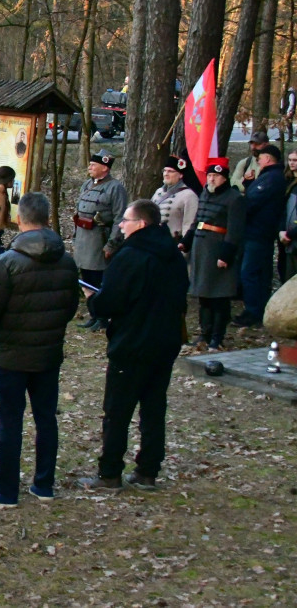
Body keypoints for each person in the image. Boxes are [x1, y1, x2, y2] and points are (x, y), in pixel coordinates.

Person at [0, 193, 79, 507]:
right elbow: (70, 308)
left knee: (10, 421)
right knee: (46, 418)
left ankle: (6, 489)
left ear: (19, 219)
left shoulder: (6, 263)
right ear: (46, 218)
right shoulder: (66, 261)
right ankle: (44, 483)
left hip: (12, 355)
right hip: (47, 353)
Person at [78, 199, 189, 491]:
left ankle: (110, 473)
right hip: (165, 342)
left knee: (117, 411)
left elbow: (110, 301)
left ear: (140, 223)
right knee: (154, 407)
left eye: (125, 221)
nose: (121, 226)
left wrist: (93, 300)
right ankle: (148, 470)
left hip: (133, 343)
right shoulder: (173, 255)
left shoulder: (130, 256)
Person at [181, 158, 245, 351]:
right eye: (210, 175)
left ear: (224, 178)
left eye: (216, 176)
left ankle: (217, 337)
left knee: (219, 297)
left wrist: (226, 255)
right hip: (201, 250)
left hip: (218, 250)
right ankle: (205, 333)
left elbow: (235, 230)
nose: (211, 179)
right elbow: (197, 221)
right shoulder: (205, 194)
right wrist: (186, 241)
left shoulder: (234, 198)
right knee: (204, 296)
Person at [72, 150, 127, 330]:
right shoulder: (87, 184)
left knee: (99, 280)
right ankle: (93, 314)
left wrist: (111, 243)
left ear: (104, 167)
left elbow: (119, 218)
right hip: (83, 238)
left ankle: (103, 317)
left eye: (93, 165)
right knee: (87, 279)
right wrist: (75, 237)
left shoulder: (115, 188)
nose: (89, 167)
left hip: (99, 239)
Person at [234, 144, 286, 327]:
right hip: (260, 231)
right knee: (259, 272)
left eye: (261, 158)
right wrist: (249, 184)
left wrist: (239, 204)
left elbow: (253, 201)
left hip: (258, 232)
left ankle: (253, 311)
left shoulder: (272, 178)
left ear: (268, 158)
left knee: (250, 272)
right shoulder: (269, 176)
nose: (258, 161)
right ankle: (258, 308)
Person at [151, 157, 199, 240]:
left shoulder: (189, 195)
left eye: (170, 171)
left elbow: (189, 224)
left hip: (172, 241)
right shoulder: (159, 192)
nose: (166, 174)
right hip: (154, 239)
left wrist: (184, 244)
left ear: (180, 175)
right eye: (165, 171)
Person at [281, 151, 297, 282]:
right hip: (288, 236)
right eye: (290, 160)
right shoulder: (288, 181)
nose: (292, 163)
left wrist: (289, 234)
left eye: (295, 160)